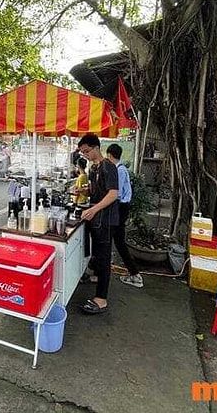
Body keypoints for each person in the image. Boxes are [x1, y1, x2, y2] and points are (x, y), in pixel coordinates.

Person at [77, 134, 118, 315]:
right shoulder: (94, 168)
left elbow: (113, 194)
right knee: (97, 254)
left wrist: (94, 210)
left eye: (86, 151)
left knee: (103, 257)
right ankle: (96, 276)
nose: (84, 155)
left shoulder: (108, 166)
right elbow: (96, 189)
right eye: (82, 152)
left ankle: (101, 299)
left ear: (96, 148)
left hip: (106, 219)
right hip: (96, 218)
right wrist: (84, 190)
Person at [106, 144, 142, 288]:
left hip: (120, 208)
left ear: (110, 155)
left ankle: (135, 275)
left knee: (118, 241)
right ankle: (132, 273)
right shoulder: (121, 169)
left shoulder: (119, 171)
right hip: (121, 207)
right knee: (115, 240)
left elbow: (116, 194)